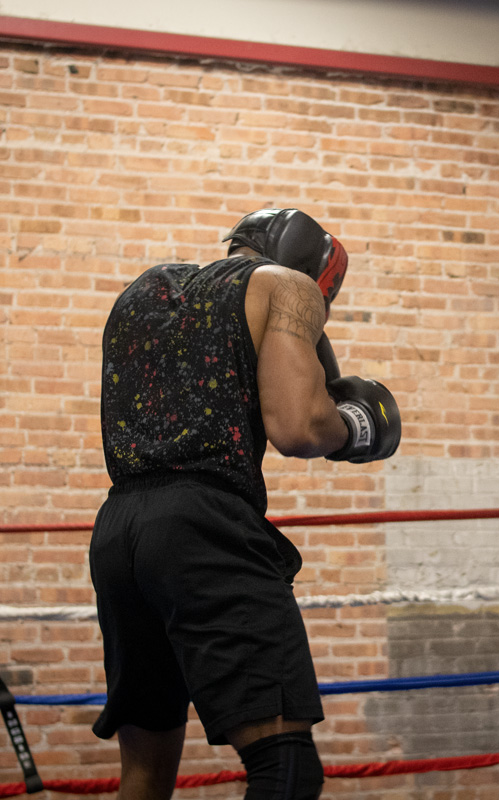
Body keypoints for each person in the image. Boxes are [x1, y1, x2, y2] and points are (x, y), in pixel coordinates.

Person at [89, 208, 401, 800]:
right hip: (204, 531)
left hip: (118, 533)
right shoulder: (289, 286)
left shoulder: (145, 290)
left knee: (145, 778)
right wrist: (356, 427)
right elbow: (298, 426)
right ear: (317, 273)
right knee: (284, 767)